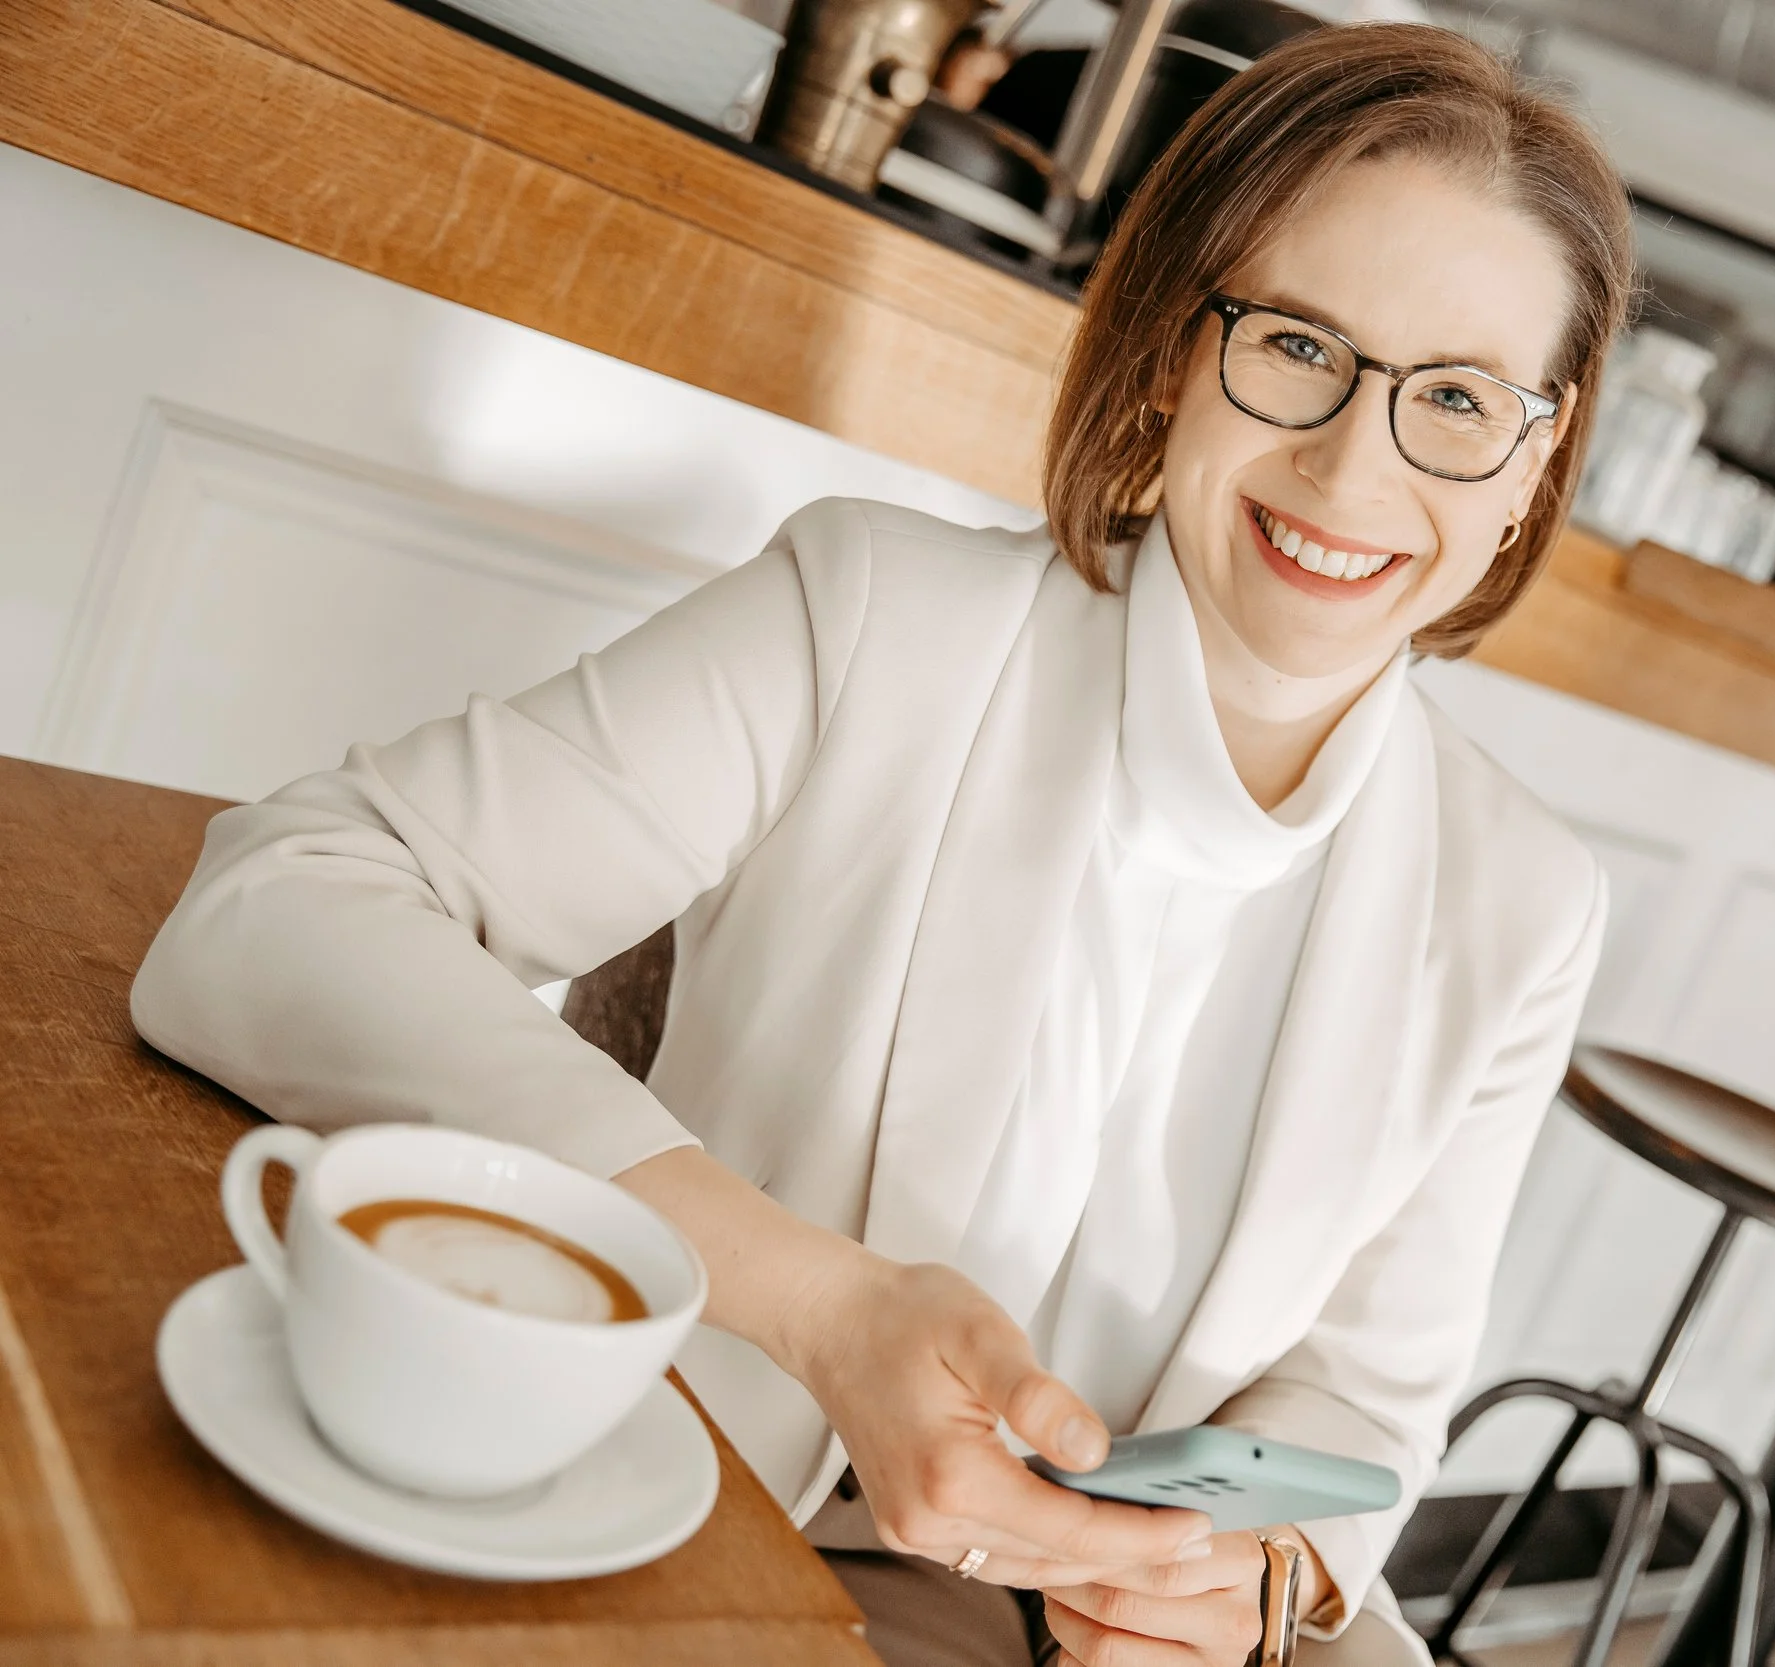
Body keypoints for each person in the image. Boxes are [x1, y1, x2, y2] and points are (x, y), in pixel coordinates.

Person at [132, 22, 1633, 1667]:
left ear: (1532, 460)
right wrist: (816, 1302)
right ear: (1164, 352)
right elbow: (281, 900)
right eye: (1294, 347)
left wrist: (1257, 1584)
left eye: (1462, 400)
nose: (1356, 464)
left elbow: (1366, 1397)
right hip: (700, 1519)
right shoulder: (870, 619)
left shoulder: (1526, 902)